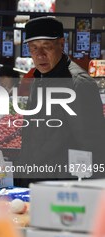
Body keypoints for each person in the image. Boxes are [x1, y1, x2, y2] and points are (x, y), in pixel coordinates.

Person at [16, 16, 105, 187]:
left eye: (46, 47)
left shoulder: (78, 84)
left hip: (63, 187)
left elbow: (92, 145)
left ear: (61, 43)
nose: (39, 55)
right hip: (37, 181)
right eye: (33, 48)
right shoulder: (39, 78)